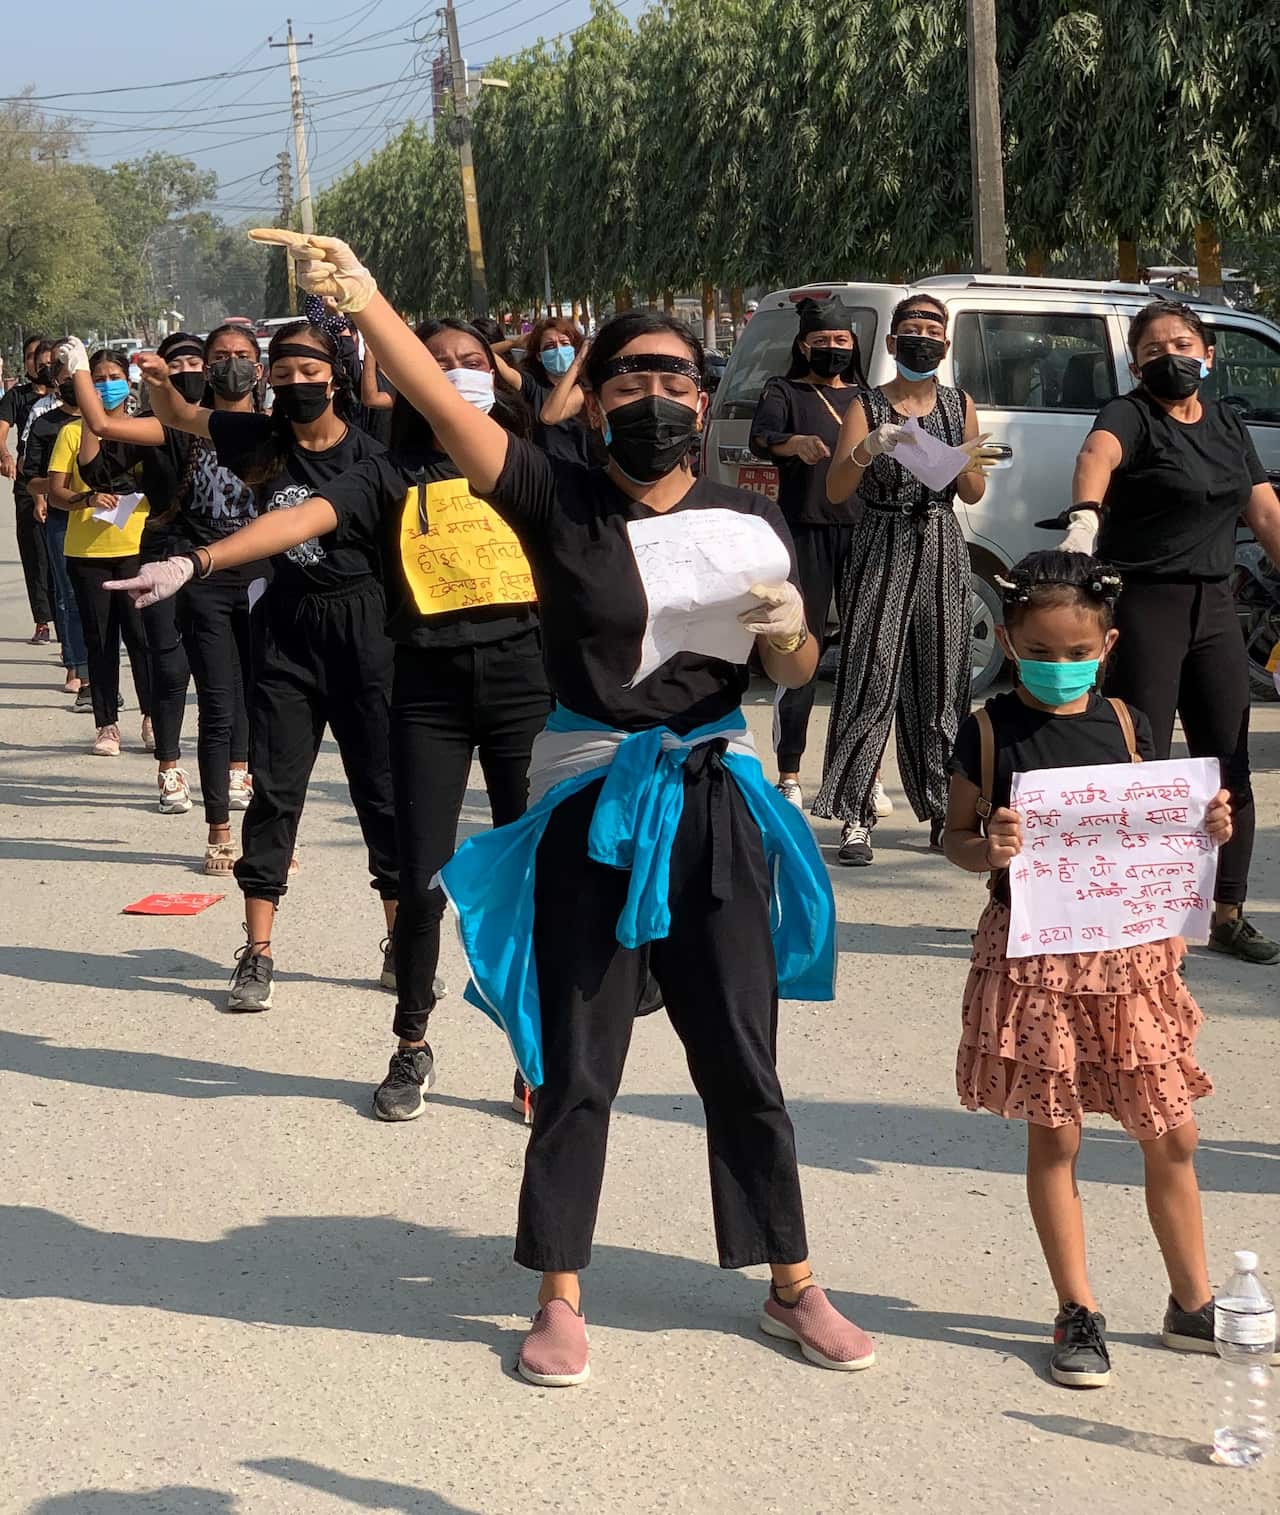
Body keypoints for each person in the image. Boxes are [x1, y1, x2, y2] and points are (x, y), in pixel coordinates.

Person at [255, 227, 875, 1387]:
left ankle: (790, 1282)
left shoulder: (747, 517)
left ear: (702, 397)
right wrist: (367, 302)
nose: (653, 396)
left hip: (713, 798)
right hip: (592, 803)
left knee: (740, 1056)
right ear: (591, 400)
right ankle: (557, 1291)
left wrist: (791, 631)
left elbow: (789, 670)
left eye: (672, 377)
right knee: (579, 1061)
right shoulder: (555, 495)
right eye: (626, 378)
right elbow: (441, 405)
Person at [116, 318, 551, 1119]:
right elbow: (301, 518)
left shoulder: (533, 466)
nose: (456, 374)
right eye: (437, 363)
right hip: (416, 684)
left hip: (518, 688)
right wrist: (198, 559)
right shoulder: (389, 470)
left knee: (531, 875)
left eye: (472, 362)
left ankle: (537, 1053)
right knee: (419, 875)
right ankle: (410, 1043)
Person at [943, 550, 1235, 1388]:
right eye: (1041, 649)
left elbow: (1164, 826)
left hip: (1131, 955)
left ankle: (1193, 1302)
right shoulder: (989, 730)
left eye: (1077, 651)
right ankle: (1076, 1308)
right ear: (1007, 640)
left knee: (1172, 1130)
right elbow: (956, 836)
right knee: (1057, 1132)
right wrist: (987, 846)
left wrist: (1207, 826)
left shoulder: (1131, 723)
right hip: (1037, 962)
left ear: (1106, 644)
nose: (1059, 664)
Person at [119, 319, 396, 1011]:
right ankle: (258, 951)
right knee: (274, 790)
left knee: (382, 794)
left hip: (364, 630)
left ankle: (403, 945)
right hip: (287, 628)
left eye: (311, 372)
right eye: (286, 372)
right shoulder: (261, 439)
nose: (298, 384)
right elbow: (182, 416)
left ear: (335, 377)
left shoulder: (371, 454)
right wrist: (159, 383)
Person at [1067, 300, 1280, 964]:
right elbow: (1097, 454)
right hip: (1143, 605)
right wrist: (1084, 517)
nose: (1170, 357)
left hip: (1215, 607)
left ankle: (1228, 912)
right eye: (1154, 349)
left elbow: (1265, 511)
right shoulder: (1129, 413)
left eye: (1182, 344)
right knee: (1141, 762)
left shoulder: (1226, 422)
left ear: (1208, 355)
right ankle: (1135, 915)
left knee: (1228, 761)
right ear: (1136, 364)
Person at [67, 328, 261, 866]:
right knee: (178, 674)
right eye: (190, 363)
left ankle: (247, 787)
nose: (203, 370)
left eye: (235, 357)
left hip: (252, 572)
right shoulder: (170, 428)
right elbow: (100, 448)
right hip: (177, 564)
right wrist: (85, 377)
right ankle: (178, 776)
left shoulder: (271, 429)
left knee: (252, 689)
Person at [815, 295, 998, 866]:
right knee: (871, 675)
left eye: (932, 331)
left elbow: (972, 493)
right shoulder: (866, 405)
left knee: (942, 679)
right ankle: (856, 813)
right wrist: (869, 449)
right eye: (912, 330)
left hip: (940, 538)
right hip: (882, 539)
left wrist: (965, 461)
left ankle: (944, 808)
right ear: (893, 343)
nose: (923, 339)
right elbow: (836, 490)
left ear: (945, 344)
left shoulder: (959, 403)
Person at [749, 299, 868, 808]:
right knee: (801, 648)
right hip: (804, 531)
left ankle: (859, 772)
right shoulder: (785, 391)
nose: (833, 348)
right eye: (822, 341)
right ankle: (790, 772)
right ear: (803, 345)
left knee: (866, 654)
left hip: (863, 531)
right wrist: (793, 444)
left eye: (841, 340)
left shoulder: (866, 398)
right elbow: (761, 439)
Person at [46, 348, 153, 757]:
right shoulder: (72, 433)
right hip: (87, 553)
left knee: (143, 639)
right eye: (98, 379)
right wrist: (86, 499)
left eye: (114, 377)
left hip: (137, 549)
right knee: (100, 640)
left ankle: (152, 717)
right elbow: (55, 492)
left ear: (128, 380)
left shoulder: (143, 430)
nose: (107, 385)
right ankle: (107, 724)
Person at [23, 354, 90, 701]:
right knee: (69, 595)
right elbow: (30, 479)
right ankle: (76, 664)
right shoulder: (45, 425)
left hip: (108, 521)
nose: (72, 383)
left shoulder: (107, 422)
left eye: (77, 375)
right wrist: (57, 488)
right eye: (65, 377)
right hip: (63, 519)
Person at [0, 335, 57, 645]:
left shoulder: (67, 399)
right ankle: (42, 621)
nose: (40, 365)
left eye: (48, 361)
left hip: (63, 485)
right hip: (29, 484)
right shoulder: (18, 398)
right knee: (36, 555)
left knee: (63, 557)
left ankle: (69, 626)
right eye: (34, 358)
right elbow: (3, 433)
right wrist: (5, 456)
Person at [493, 316, 594, 466]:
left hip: (586, 472)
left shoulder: (586, 386)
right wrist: (513, 343)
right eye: (550, 346)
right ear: (539, 356)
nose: (558, 350)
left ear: (575, 349)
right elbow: (482, 352)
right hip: (545, 472)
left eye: (564, 343)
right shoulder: (532, 384)